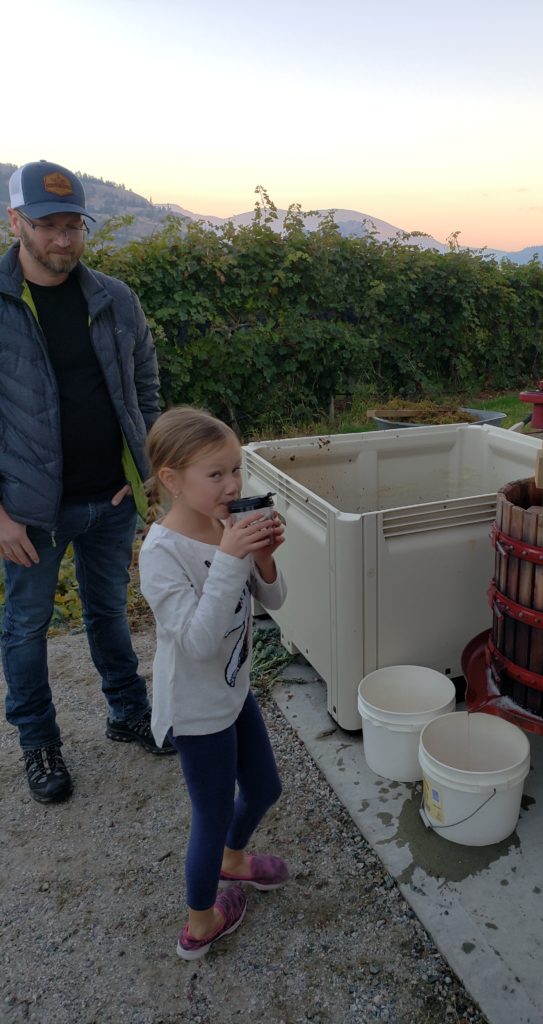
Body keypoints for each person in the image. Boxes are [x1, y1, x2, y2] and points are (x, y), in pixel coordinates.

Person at [0, 160, 173, 806]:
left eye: (73, 225)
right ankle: (38, 742)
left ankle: (128, 713)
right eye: (48, 226)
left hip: (112, 499)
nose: (63, 240)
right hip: (28, 512)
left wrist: (147, 465)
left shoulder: (114, 297)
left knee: (109, 613)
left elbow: (145, 386)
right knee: (25, 625)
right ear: (15, 221)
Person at [139, 406, 289, 960]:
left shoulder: (226, 528)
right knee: (213, 811)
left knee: (266, 787)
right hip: (195, 708)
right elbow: (197, 643)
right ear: (171, 480)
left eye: (235, 470)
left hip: (232, 690)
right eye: (216, 474)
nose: (233, 485)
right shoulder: (161, 554)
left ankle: (233, 860)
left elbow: (271, 601)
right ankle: (199, 922)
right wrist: (231, 558)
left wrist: (265, 559)